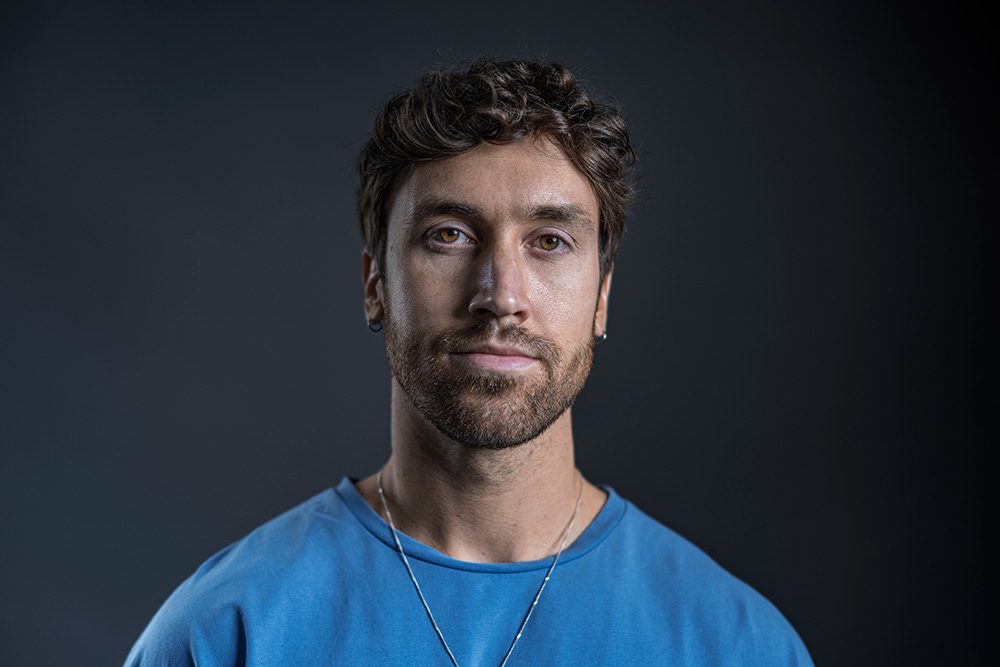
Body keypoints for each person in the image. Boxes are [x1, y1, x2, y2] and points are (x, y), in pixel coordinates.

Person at [125, 59, 813, 666]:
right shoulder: (223, 634)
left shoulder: (737, 644)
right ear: (376, 285)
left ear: (601, 297)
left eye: (548, 240)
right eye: (448, 236)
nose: (500, 295)